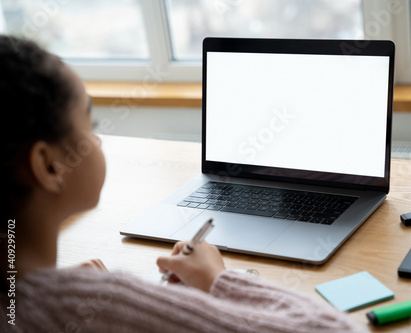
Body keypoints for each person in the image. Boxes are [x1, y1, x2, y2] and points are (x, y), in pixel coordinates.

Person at [0, 35, 365, 333]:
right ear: (49, 166)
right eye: (90, 125)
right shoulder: (97, 302)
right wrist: (218, 281)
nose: (97, 141)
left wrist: (48, 286)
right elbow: (332, 329)